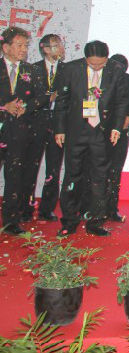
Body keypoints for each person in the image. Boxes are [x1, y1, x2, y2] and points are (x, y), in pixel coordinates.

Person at [54, 40, 129, 237]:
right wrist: (60, 130)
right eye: (92, 64)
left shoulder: (116, 70)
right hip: (76, 130)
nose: (96, 67)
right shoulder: (71, 69)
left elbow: (122, 102)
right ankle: (69, 220)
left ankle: (96, 221)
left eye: (101, 64)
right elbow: (62, 101)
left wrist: (117, 128)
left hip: (101, 132)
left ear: (107, 59)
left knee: (100, 177)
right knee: (72, 175)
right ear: (85, 59)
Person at [22, 33, 65, 223]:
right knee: (30, 167)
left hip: (58, 125)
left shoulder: (67, 70)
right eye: (55, 45)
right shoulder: (32, 69)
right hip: (35, 123)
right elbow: (27, 99)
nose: (60, 48)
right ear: (45, 49)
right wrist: (48, 98)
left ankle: (47, 209)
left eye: (60, 44)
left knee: (54, 169)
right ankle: (25, 207)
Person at [1, 26, 38, 235]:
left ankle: (11, 221)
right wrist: (3, 106)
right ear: (6, 47)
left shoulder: (30, 70)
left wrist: (26, 107)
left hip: (19, 131)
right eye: (19, 45)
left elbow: (41, 97)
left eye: (26, 45)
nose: (24, 49)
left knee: (15, 177)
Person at [104, 53, 129, 222]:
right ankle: (91, 207)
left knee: (115, 170)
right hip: (99, 131)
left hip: (121, 131)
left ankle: (111, 208)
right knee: (95, 169)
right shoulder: (100, 79)